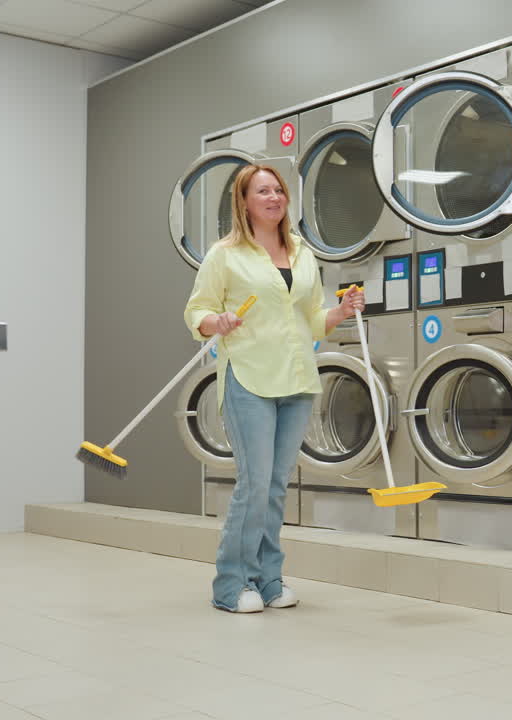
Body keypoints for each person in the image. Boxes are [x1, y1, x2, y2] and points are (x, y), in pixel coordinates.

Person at [184, 164, 365, 613]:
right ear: (244, 202)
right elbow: (196, 311)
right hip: (249, 376)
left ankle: (268, 580)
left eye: (278, 189)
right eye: (262, 190)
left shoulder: (303, 252)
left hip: (298, 377)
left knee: (277, 486)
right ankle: (231, 584)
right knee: (254, 484)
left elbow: (310, 318)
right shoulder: (225, 255)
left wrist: (339, 313)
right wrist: (217, 321)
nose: (273, 196)